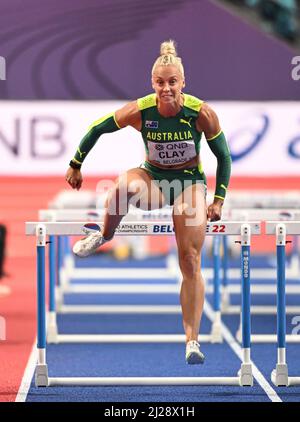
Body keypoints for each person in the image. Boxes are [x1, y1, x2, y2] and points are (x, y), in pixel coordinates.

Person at [65, 40, 231, 365]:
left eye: (172, 82)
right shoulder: (140, 110)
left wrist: (218, 199)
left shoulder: (201, 113)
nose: (166, 88)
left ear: (183, 82)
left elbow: (223, 157)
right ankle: (104, 235)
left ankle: (192, 341)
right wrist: (75, 164)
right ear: (152, 83)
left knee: (191, 260)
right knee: (120, 188)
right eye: (160, 82)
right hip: (154, 179)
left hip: (190, 185)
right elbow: (96, 128)